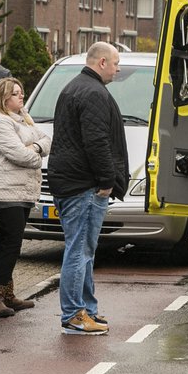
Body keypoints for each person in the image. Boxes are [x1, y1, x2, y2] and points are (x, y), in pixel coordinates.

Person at [46, 43, 128, 335]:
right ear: (102, 62)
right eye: (116, 63)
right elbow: (96, 141)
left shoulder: (73, 87)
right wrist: (107, 180)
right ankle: (73, 314)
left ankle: (87, 310)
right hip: (83, 184)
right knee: (80, 250)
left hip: (70, 180)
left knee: (83, 250)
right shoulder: (93, 93)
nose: (118, 69)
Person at [0, 77, 50, 319]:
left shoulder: (21, 118)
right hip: (5, 190)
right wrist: (35, 152)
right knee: (10, 243)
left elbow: (47, 140)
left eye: (21, 92)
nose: (21, 96)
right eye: (16, 93)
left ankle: (7, 294)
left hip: (21, 190)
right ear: (3, 98)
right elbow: (20, 155)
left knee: (13, 242)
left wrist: (35, 147)